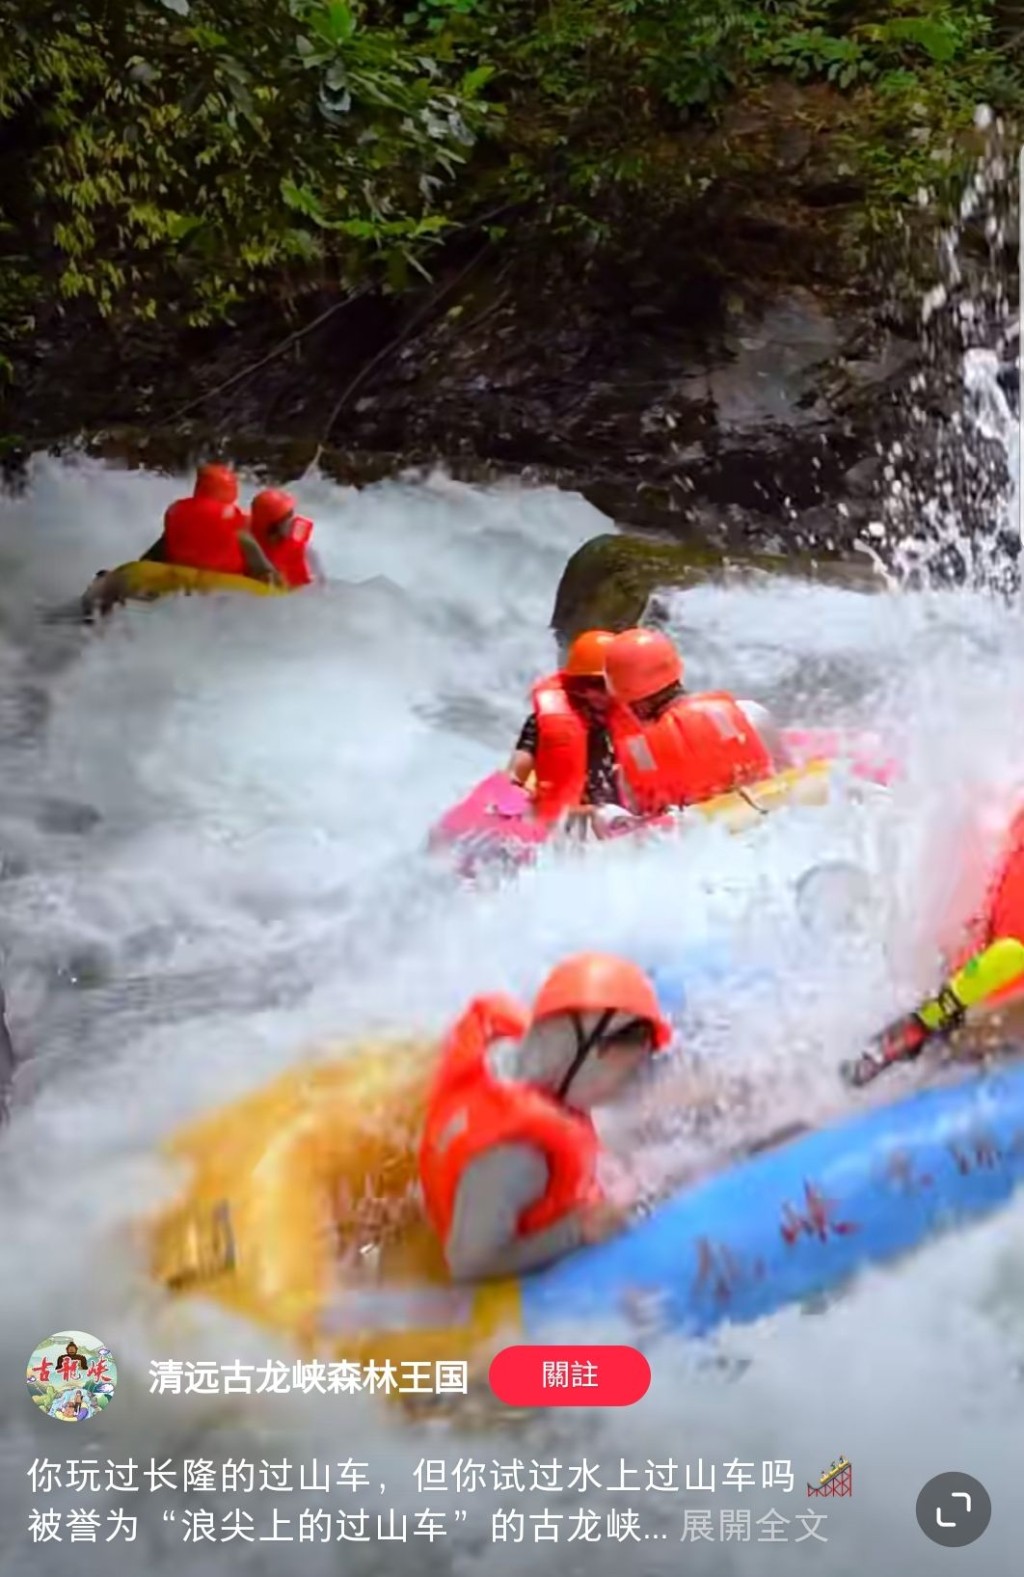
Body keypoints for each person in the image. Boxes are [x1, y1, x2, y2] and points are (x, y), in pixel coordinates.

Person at [418, 952, 674, 1282]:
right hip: (489, 1234)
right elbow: (468, 1264)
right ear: (592, 1054)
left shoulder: (508, 1047)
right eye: (625, 1074)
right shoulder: (518, 1156)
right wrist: (579, 1230)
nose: (623, 1089)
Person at [602, 628, 786, 815]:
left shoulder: (635, 761)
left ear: (627, 698)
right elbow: (790, 780)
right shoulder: (751, 715)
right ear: (676, 668)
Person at [507, 630, 626, 825]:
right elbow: (513, 777)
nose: (605, 694)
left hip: (614, 820)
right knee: (604, 816)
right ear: (578, 686)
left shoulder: (626, 724)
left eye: (612, 684)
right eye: (595, 684)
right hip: (566, 821)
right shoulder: (542, 722)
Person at [145, 465, 279, 582]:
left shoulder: (176, 509)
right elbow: (250, 546)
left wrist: (144, 564)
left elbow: (164, 542)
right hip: (226, 578)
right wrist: (267, 570)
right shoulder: (234, 515)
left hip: (178, 571)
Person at [249, 490, 321, 588]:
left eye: (291, 515)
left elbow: (320, 581)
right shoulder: (246, 538)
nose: (292, 522)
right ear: (272, 528)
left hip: (300, 592)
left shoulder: (305, 546)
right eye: (286, 519)